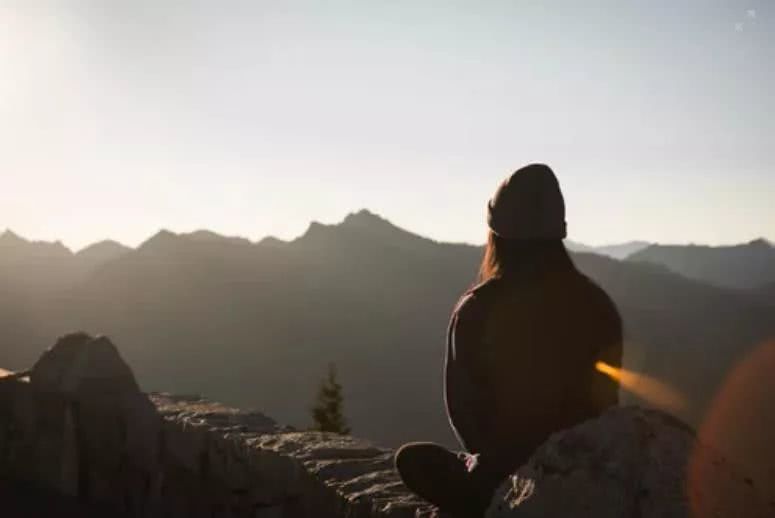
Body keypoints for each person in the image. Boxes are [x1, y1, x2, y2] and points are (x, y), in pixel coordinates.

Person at [395, 163, 623, 517]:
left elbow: (467, 417)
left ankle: (477, 496)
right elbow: (606, 404)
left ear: (497, 235)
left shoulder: (477, 310)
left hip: (507, 476)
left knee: (413, 460)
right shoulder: (598, 306)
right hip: (588, 469)